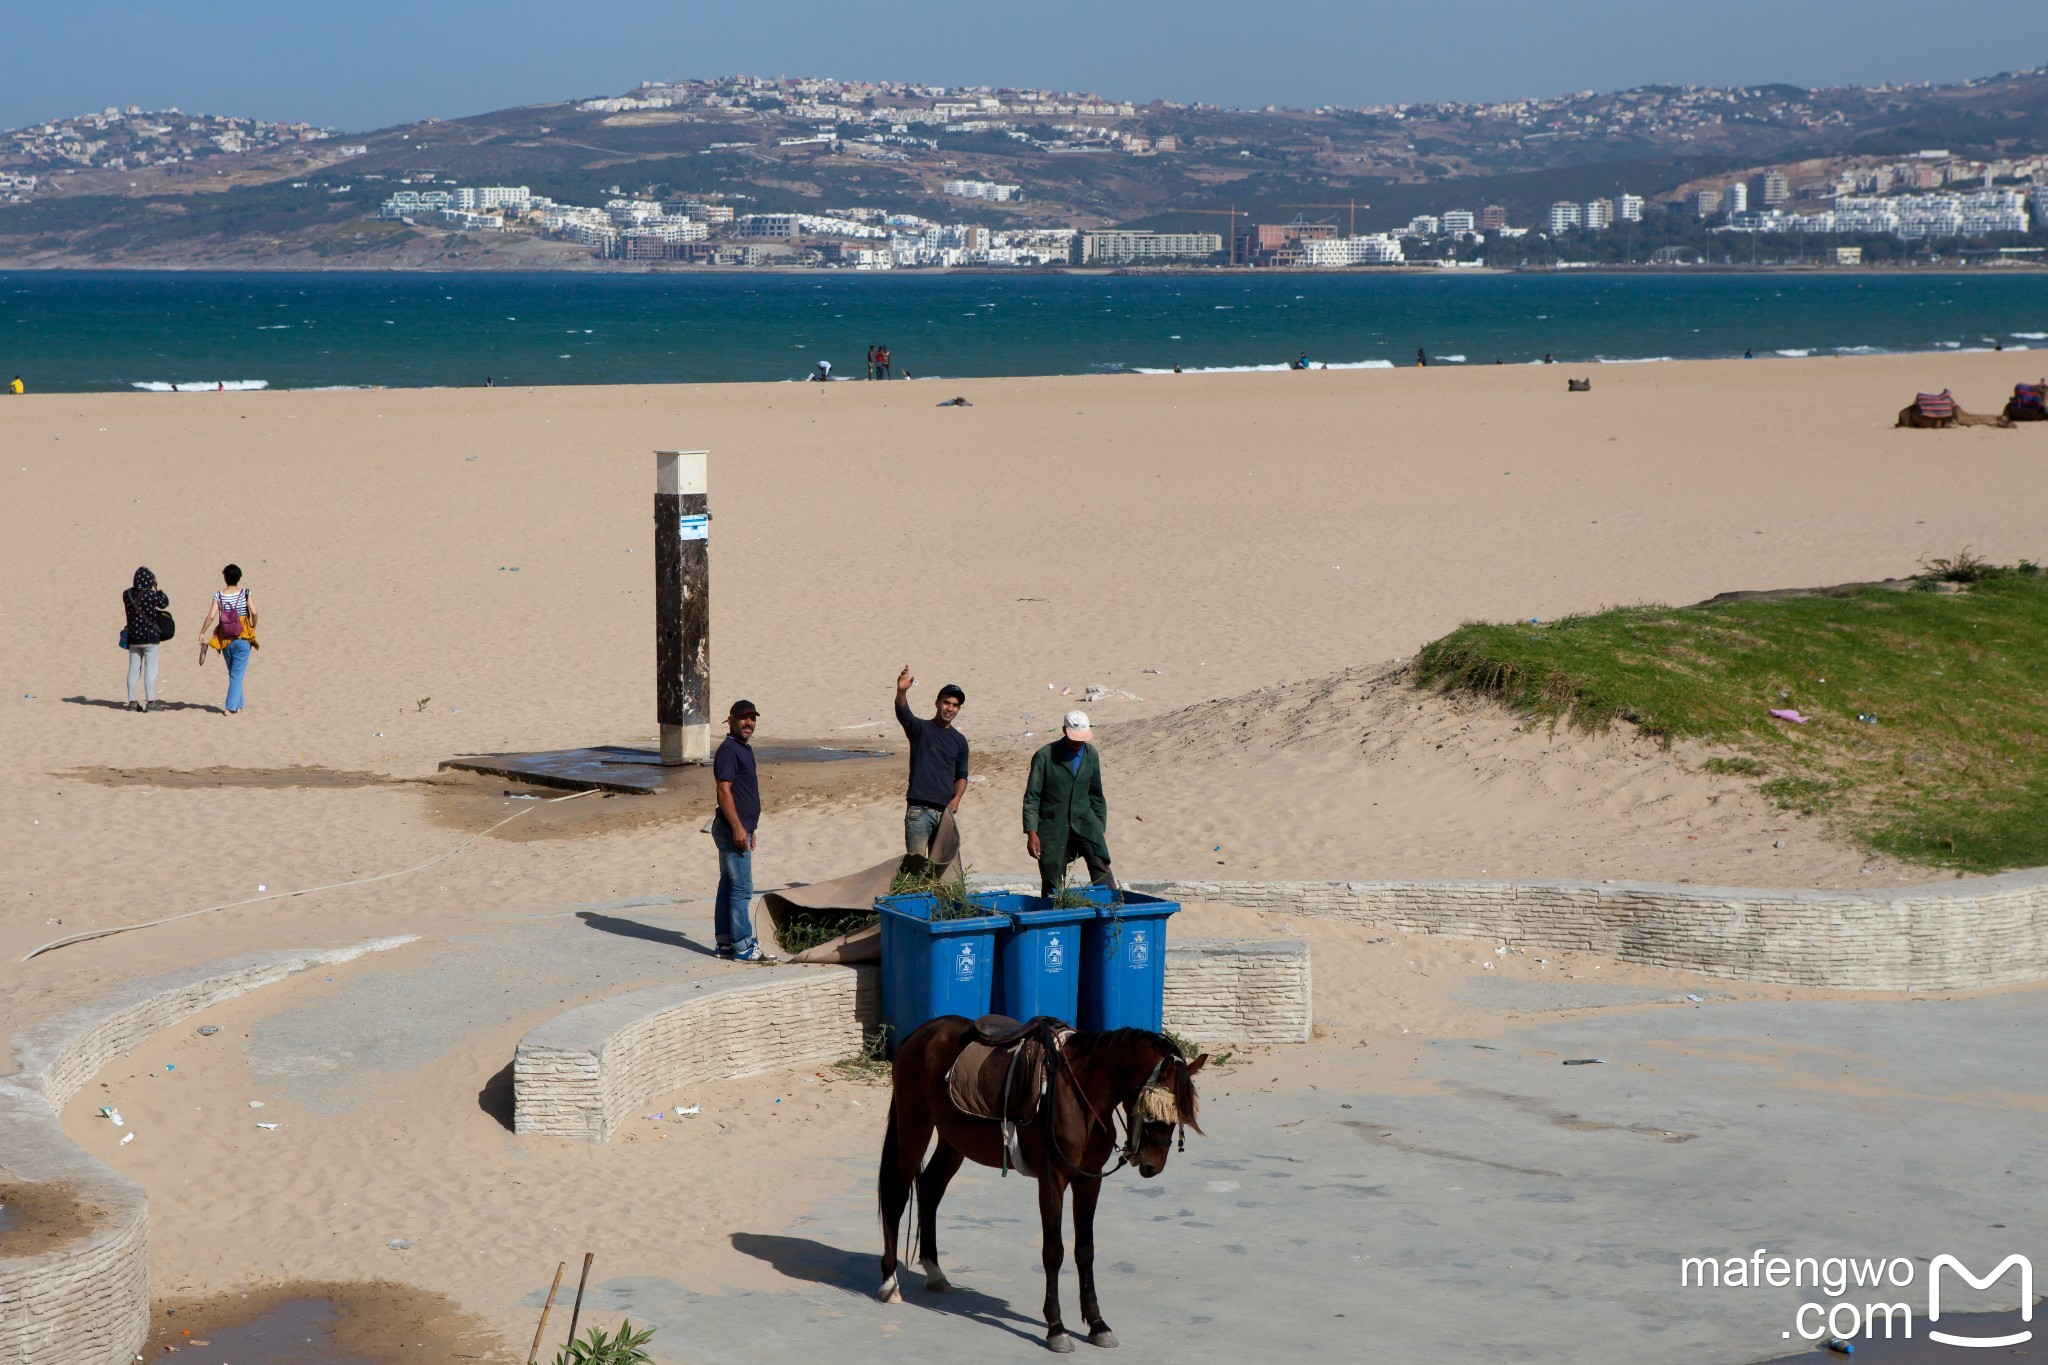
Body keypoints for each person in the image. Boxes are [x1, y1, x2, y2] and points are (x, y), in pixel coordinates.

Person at [1023, 711, 1114, 897]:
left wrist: (1098, 826)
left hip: (1085, 822)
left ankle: (1112, 908)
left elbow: (1096, 794)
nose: (1078, 744)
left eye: (1082, 739)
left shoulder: (1091, 754)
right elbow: (1032, 797)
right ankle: (1054, 918)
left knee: (1100, 864)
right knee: (1053, 878)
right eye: (1074, 739)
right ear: (1064, 731)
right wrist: (1032, 833)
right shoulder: (1044, 756)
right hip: (1053, 826)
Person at [711, 699, 775, 962]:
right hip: (731, 829)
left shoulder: (743, 748)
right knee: (742, 888)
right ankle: (743, 945)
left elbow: (742, 792)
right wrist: (738, 827)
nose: (749, 723)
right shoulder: (729, 750)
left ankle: (725, 943)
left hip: (739, 828)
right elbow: (723, 790)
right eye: (744, 718)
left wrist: (749, 828)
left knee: (728, 885)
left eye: (753, 718)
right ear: (731, 719)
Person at [894, 667, 969, 860]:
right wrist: (901, 691)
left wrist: (957, 798)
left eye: (955, 705)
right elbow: (903, 712)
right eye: (946, 702)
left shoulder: (959, 741)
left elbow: (962, 775)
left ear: (959, 709)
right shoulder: (920, 729)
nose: (950, 708)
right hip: (919, 811)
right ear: (937, 703)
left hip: (945, 813)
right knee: (916, 867)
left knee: (940, 870)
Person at [198, 563, 258, 715]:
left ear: (225, 578)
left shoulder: (218, 595)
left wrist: (202, 631)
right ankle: (230, 708)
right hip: (243, 637)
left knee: (234, 673)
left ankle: (239, 706)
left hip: (225, 639)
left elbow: (211, 616)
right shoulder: (245, 593)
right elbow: (255, 612)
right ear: (239, 578)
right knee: (236, 674)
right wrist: (252, 626)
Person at [121, 566, 170, 712]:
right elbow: (164, 602)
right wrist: (156, 586)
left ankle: (132, 701)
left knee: (133, 669)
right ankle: (150, 701)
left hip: (133, 638)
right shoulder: (150, 595)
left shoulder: (127, 594)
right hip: (150, 637)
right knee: (151, 669)